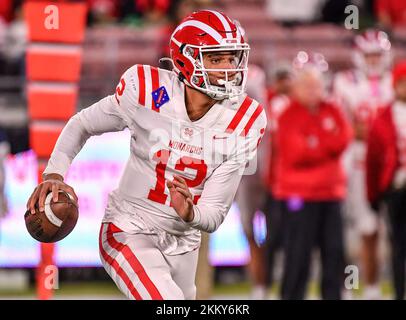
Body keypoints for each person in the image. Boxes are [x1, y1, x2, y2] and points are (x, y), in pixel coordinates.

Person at [26, 10, 267, 300]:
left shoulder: (246, 119)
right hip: (129, 227)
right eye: (215, 59)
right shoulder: (148, 90)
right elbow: (83, 124)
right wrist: (54, 172)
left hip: (185, 241)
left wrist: (191, 212)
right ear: (185, 59)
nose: (227, 68)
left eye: (232, 58)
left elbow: (214, 214)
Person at [274, 52, 352, 300]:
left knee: (334, 253)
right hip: (300, 196)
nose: (312, 90)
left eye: (316, 85)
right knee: (298, 256)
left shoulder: (333, 109)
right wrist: (323, 147)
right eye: (307, 84)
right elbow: (295, 153)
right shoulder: (287, 114)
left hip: (331, 194)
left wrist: (314, 144)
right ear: (296, 86)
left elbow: (343, 140)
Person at [333, 29, 393, 299]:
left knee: (375, 230)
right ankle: (347, 286)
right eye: (369, 55)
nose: (373, 60)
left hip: (385, 164)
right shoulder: (345, 81)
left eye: (377, 55)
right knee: (348, 228)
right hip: (353, 161)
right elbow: (340, 123)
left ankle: (371, 287)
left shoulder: (395, 81)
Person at [366, 61, 406, 300]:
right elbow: (373, 158)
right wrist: (373, 194)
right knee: (398, 245)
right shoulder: (384, 116)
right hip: (396, 188)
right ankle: (399, 292)